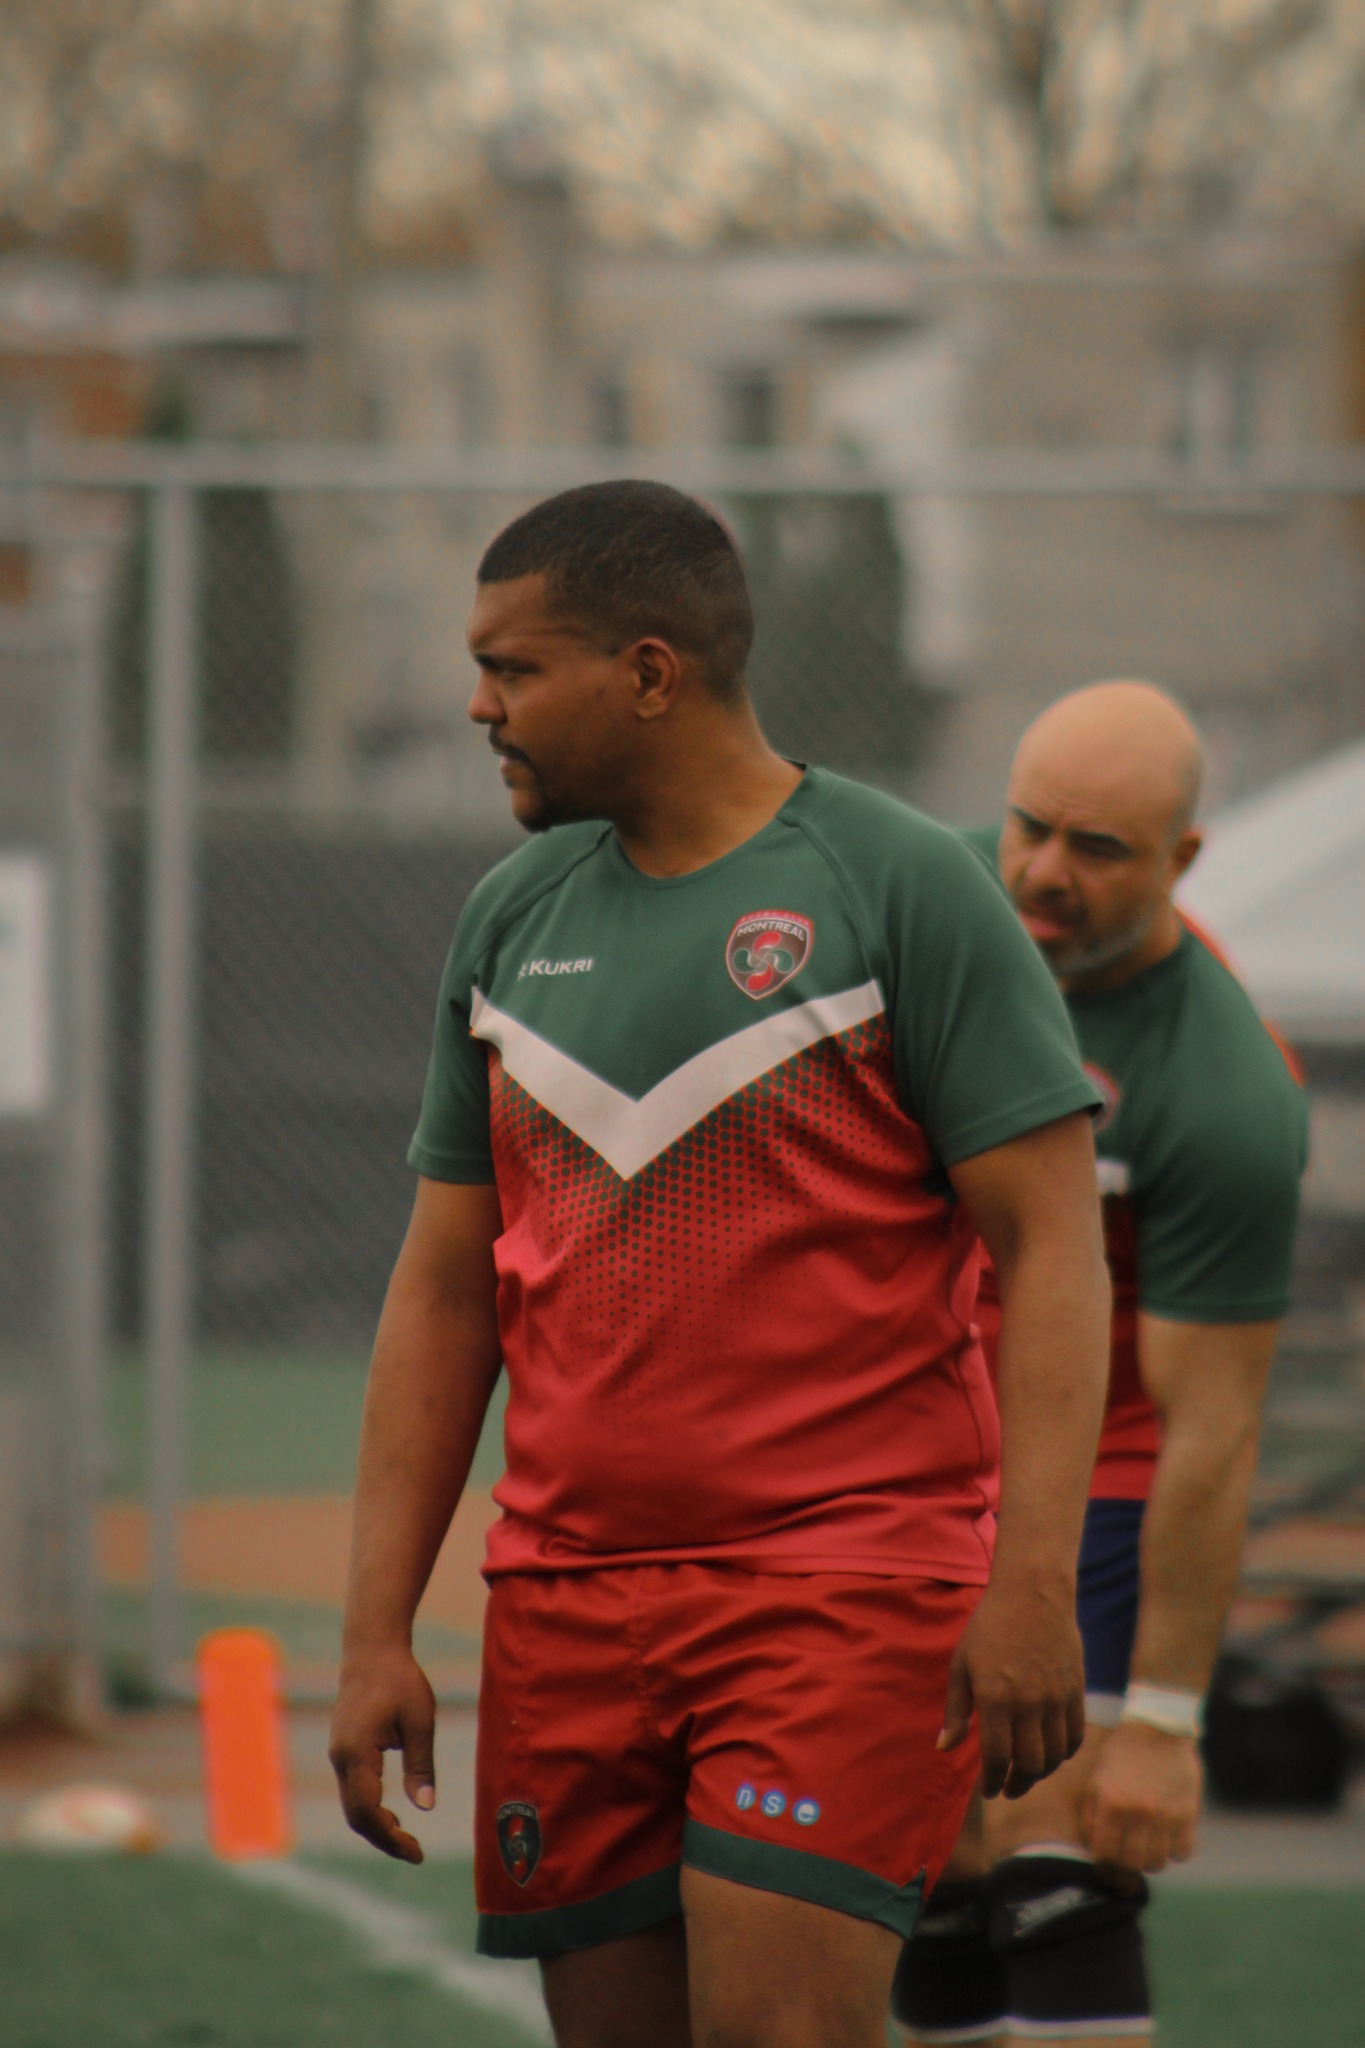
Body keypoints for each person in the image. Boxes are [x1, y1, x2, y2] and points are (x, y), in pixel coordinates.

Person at [329, 480, 1112, 2048]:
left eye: (515, 667)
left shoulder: (896, 885)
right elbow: (439, 1294)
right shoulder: (507, 920)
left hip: (838, 1587)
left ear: (647, 671)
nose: (479, 706)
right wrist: (373, 1634)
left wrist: (1030, 1581)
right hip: (564, 1603)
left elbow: (1053, 1244)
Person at [892, 682, 1308, 2048]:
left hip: (1097, 1490)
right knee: (929, 1875)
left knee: (1049, 1863)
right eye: (1028, 830)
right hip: (905, 1467)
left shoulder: (1224, 1088)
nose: (1043, 876)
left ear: (1184, 861)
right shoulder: (916, 900)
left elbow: (1210, 1428)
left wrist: (1167, 1723)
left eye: (1098, 851)